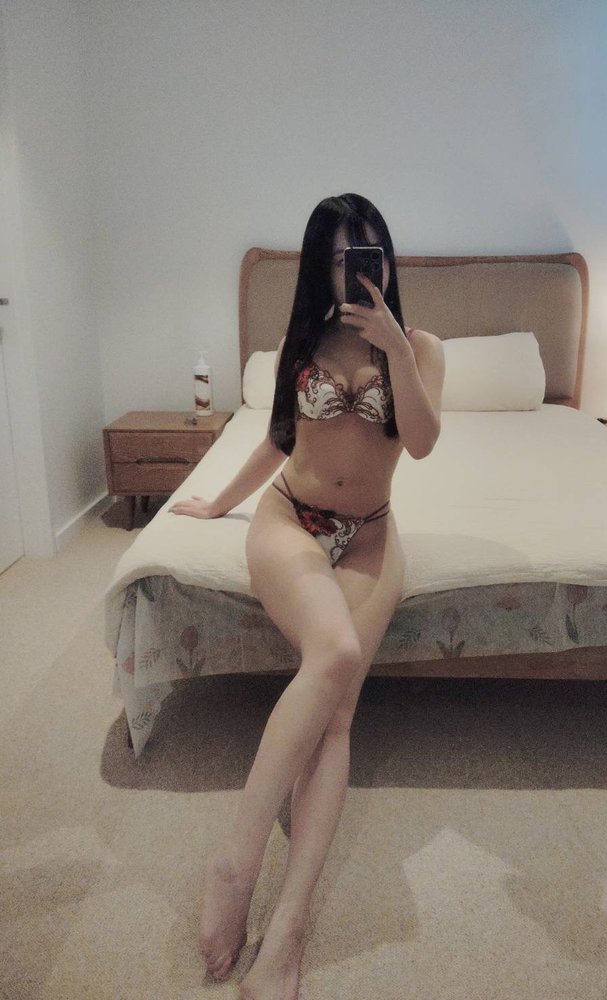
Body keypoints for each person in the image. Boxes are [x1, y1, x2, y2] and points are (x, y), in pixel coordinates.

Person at [168, 193, 445, 999]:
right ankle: (237, 862)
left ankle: (287, 930)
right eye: (344, 257)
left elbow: (423, 443)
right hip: (292, 519)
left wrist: (395, 349)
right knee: (336, 652)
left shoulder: (422, 348)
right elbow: (279, 440)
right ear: (322, 265)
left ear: (388, 260)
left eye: (373, 254)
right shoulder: (304, 343)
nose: (361, 270)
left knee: (339, 714)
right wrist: (219, 504)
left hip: (371, 534)